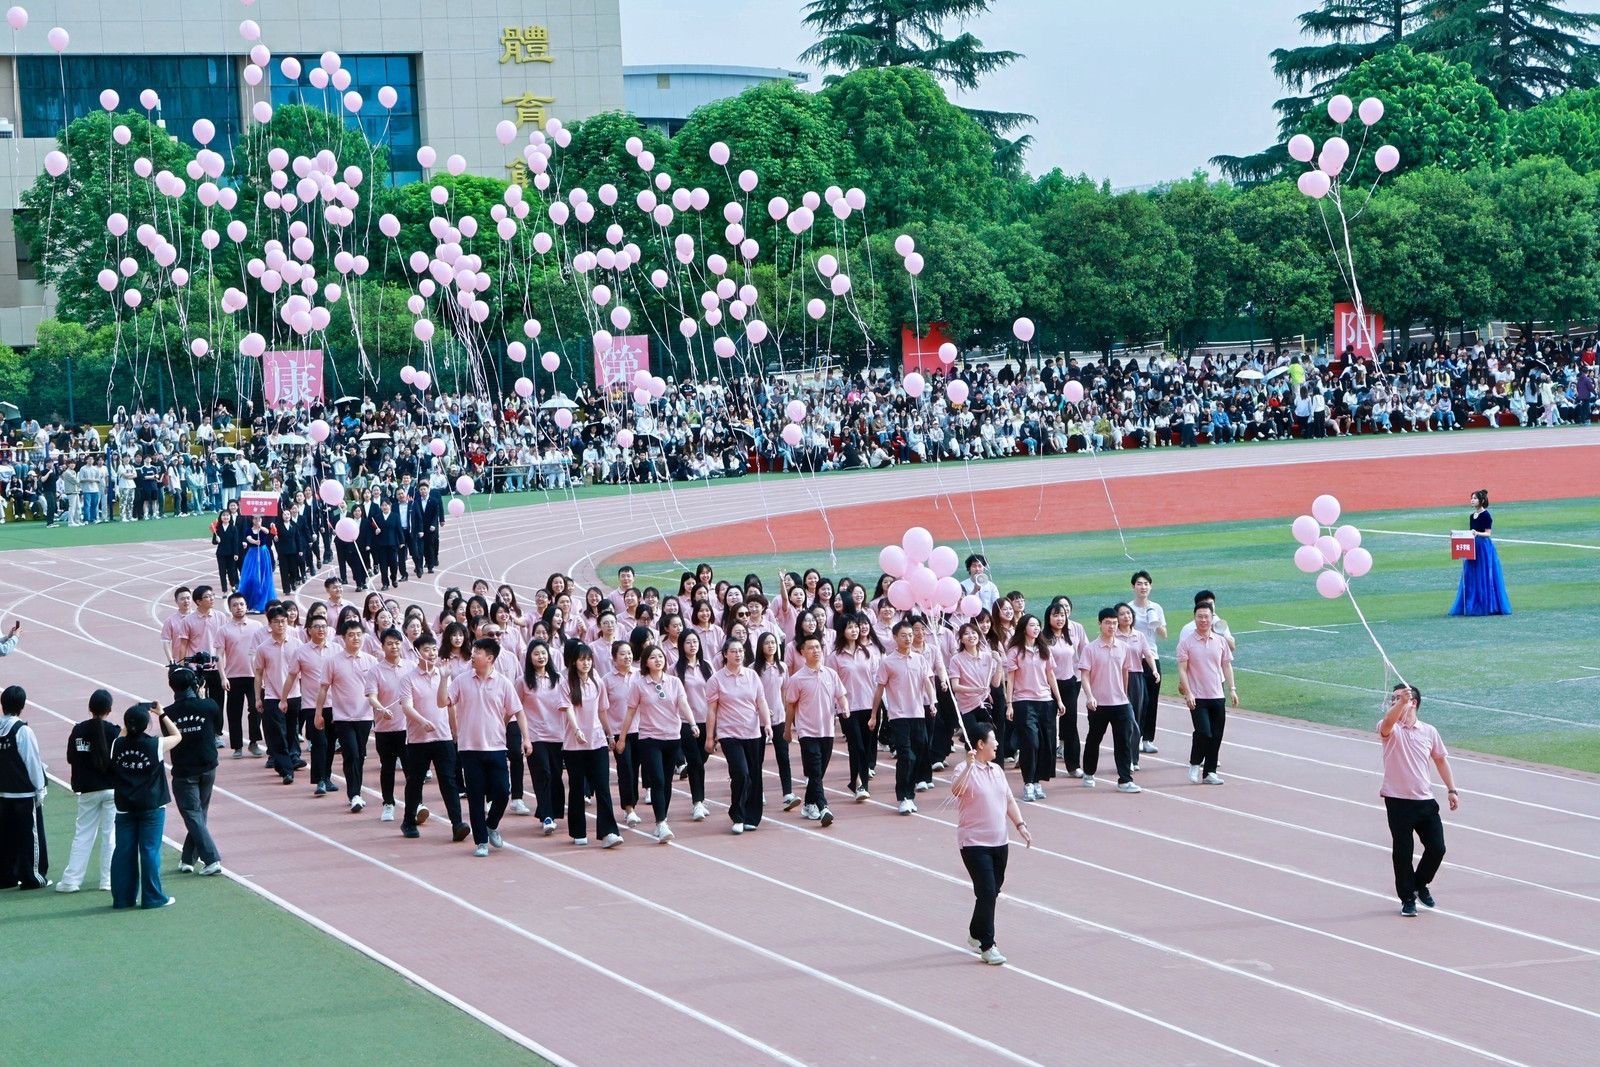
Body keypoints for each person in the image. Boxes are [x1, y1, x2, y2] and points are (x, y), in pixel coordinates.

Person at [950, 721, 1031, 965]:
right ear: (980, 744)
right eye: (992, 739)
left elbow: (1008, 800)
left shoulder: (996, 770)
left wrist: (1020, 825)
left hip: (1000, 842)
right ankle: (988, 945)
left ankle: (975, 933)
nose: (997, 743)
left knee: (992, 891)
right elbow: (956, 790)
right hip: (974, 843)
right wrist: (968, 766)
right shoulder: (964, 769)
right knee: (986, 891)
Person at [1379, 684, 1459, 917]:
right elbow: (1387, 723)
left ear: (1414, 702)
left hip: (1425, 800)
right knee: (1403, 852)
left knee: (1437, 848)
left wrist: (1452, 789)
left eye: (1400, 698)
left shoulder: (1429, 731)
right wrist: (1401, 703)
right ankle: (1407, 899)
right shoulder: (1391, 729)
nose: (1394, 702)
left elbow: (1440, 760)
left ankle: (1419, 883)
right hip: (1397, 801)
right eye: (1393, 699)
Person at [439, 637, 519, 857]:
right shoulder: (462, 680)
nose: (472, 655)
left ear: (490, 658)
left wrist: (524, 737)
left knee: (503, 791)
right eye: (473, 651)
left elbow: (515, 709)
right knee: (475, 796)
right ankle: (481, 841)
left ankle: (491, 824)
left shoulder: (503, 682)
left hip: (496, 747)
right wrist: (444, 678)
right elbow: (442, 702)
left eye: (477, 652)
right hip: (469, 748)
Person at [620, 643, 698, 842]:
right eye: (653, 657)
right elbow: (630, 712)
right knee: (658, 780)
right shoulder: (639, 685)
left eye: (660, 656)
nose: (658, 660)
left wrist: (692, 723)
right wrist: (621, 737)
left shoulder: (674, 682)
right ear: (646, 662)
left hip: (672, 737)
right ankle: (661, 822)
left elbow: (683, 703)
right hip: (649, 739)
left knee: (667, 782)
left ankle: (662, 818)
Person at [109, 701, 181, 909]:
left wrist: (130, 721)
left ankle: (123, 899)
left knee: (123, 851)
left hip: (124, 806)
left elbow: (123, 734)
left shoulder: (117, 745)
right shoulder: (155, 745)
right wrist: (162, 714)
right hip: (151, 806)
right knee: (149, 851)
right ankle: (152, 898)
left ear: (126, 724)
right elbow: (177, 736)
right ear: (146, 725)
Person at [398, 633, 468, 842]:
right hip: (418, 740)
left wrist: (455, 731)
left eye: (433, 649)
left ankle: (457, 824)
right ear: (417, 652)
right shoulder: (408, 679)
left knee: (449, 781)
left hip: (443, 737)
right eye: (426, 650)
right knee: (415, 781)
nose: (431, 653)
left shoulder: (443, 674)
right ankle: (408, 821)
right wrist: (422, 721)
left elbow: (450, 705)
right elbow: (406, 706)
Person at [704, 638, 773, 834]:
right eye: (733, 651)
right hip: (729, 734)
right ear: (725, 654)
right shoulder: (716, 680)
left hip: (752, 732)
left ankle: (752, 817)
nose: (738, 654)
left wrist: (767, 724)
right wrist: (710, 737)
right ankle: (738, 815)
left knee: (754, 775)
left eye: (740, 651)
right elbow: (711, 710)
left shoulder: (752, 675)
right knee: (741, 773)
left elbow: (761, 701)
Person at [560, 640, 623, 848]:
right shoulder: (566, 683)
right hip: (574, 745)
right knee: (577, 787)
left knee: (603, 787)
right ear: (574, 662)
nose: (585, 663)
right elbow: (568, 708)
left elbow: (602, 710)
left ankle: (608, 832)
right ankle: (578, 831)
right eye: (581, 659)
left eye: (588, 659)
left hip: (597, 742)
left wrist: (610, 734)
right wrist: (577, 729)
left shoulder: (597, 680)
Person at [870, 621, 936, 815]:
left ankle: (910, 795)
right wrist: (874, 715)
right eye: (904, 635)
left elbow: (927, 682)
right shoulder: (888, 662)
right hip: (898, 716)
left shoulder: (920, 659)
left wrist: (932, 702)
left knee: (918, 755)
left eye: (910, 635)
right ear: (895, 637)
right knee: (906, 756)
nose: (908, 638)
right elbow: (879, 689)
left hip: (918, 714)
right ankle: (903, 797)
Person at [58, 689, 119, 893]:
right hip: (112, 789)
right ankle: (108, 880)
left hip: (88, 789)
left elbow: (70, 757)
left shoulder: (78, 730)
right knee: (110, 835)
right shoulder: (114, 731)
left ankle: (71, 881)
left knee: (83, 834)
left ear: (90, 708)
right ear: (109, 710)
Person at [165, 666, 224, 876]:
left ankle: (212, 859)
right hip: (208, 767)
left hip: (184, 771)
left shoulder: (168, 714)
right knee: (198, 814)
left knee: (193, 814)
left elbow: (170, 739)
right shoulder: (209, 705)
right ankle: (188, 858)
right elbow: (218, 728)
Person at [783, 633, 848, 826]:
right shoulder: (797, 679)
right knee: (815, 770)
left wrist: (844, 707)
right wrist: (787, 729)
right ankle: (823, 807)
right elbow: (791, 706)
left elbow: (841, 695)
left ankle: (809, 803)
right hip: (807, 732)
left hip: (827, 729)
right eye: (811, 648)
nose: (815, 651)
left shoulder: (831, 674)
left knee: (818, 772)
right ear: (802, 652)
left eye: (818, 647)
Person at [318, 618, 381, 813]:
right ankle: (354, 794)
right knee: (351, 753)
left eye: (359, 635)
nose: (355, 638)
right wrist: (318, 713)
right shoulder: (332, 661)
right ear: (343, 638)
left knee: (360, 755)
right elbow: (323, 688)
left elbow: (378, 690)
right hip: (343, 717)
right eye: (351, 635)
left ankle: (356, 792)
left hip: (365, 716)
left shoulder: (371, 661)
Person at [1076, 608, 1140, 793]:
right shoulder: (1090, 649)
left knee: (1123, 741)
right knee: (1094, 738)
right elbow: (1085, 675)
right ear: (1100, 624)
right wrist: (1090, 696)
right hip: (1099, 704)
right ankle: (1089, 772)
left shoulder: (1124, 647)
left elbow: (1125, 672)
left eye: (1114, 623)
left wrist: (1124, 695)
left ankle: (1125, 780)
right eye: (1107, 623)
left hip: (1121, 703)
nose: (1111, 626)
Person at [1176, 604, 1237, 785]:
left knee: (1216, 735)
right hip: (1197, 696)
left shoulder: (1220, 641)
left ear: (1212, 618)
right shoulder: (1186, 643)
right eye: (1200, 616)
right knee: (1203, 732)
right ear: (1194, 618)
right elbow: (1182, 669)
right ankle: (1195, 763)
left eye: (1206, 616)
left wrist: (1232, 689)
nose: (1203, 620)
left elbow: (1226, 665)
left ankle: (1210, 772)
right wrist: (1188, 693)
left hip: (1217, 695)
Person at [0, 685, 50, 890]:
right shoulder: (23, 730)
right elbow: (32, 762)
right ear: (21, 705)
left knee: (6, 837)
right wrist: (40, 789)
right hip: (24, 794)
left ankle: (6, 877)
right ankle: (33, 877)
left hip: (3, 793)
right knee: (31, 837)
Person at [1449, 489, 1512, 616]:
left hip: (1483, 548)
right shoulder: (1472, 516)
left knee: (1483, 574)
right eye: (1471, 498)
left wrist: (1477, 533)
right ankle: (1471, 602)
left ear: (1481, 500)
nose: (1472, 500)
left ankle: (1486, 605)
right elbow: (1470, 533)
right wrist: (1456, 535)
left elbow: (1488, 533)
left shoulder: (1486, 515)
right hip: (1473, 547)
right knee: (1471, 574)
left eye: (1475, 498)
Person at [217, 592, 263, 759]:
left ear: (246, 606)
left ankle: (254, 742)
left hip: (254, 676)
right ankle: (237, 746)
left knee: (256, 709)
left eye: (242, 604)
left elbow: (263, 650)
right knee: (234, 712)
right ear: (230, 608)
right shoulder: (223, 630)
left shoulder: (257, 626)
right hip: (233, 676)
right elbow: (219, 655)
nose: (239, 607)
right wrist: (223, 677)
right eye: (235, 605)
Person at [1128, 571, 1167, 756]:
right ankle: (1134, 737)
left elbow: (1164, 634)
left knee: (1151, 700)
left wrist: (1155, 622)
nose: (1143, 587)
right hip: (1134, 658)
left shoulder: (1156, 607)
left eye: (1146, 584)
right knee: (1137, 700)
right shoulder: (1128, 609)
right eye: (1139, 584)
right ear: (1133, 586)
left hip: (1152, 657)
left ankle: (1147, 739)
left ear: (1150, 586)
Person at [236, 515, 277, 613]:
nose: (257, 520)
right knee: (252, 577)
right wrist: (255, 542)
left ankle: (262, 604)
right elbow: (248, 538)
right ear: (252, 520)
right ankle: (250, 603)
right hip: (252, 554)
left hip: (263, 553)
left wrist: (260, 527)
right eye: (255, 519)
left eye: (259, 519)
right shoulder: (249, 530)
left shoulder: (263, 529)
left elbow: (267, 532)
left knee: (263, 577)